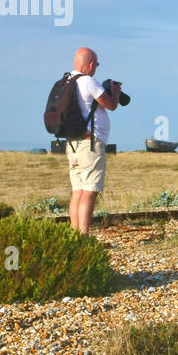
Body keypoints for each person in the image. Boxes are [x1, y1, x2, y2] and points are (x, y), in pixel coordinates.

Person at [65, 47, 120, 234]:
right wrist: (115, 92)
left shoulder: (67, 81)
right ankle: (83, 235)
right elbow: (110, 105)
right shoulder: (88, 81)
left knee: (77, 190)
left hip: (72, 143)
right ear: (90, 64)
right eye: (96, 64)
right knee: (89, 191)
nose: (96, 68)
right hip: (90, 144)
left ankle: (75, 234)